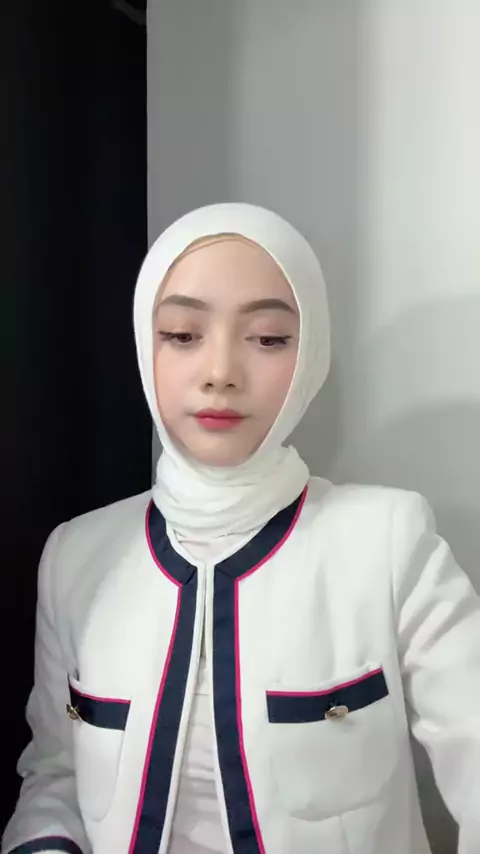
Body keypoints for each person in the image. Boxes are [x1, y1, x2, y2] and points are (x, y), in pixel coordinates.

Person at [2, 203, 480, 854]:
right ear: (145, 346)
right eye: (182, 334)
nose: (221, 372)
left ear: (310, 354)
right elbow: (55, 775)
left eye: (268, 338)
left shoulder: (387, 544)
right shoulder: (77, 557)